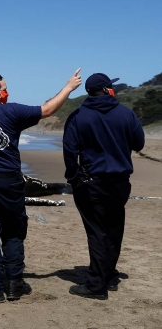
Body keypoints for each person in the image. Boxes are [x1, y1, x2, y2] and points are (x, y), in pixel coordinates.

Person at [0, 69, 82, 303]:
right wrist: (68, 88)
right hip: (10, 180)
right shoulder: (12, 111)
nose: (7, 93)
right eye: (4, 89)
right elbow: (47, 110)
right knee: (14, 232)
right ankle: (14, 284)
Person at [63, 73, 145, 300]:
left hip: (91, 181)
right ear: (108, 90)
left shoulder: (78, 115)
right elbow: (139, 143)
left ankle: (96, 285)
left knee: (97, 231)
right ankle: (108, 276)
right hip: (119, 182)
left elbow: (70, 150)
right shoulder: (126, 113)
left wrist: (73, 177)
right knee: (114, 228)